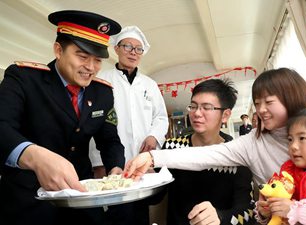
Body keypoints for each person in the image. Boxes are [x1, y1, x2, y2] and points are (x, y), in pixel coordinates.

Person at [0, 10, 125, 225]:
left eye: (97, 60)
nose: (91, 68)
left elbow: (110, 140)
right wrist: (34, 156)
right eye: (82, 56)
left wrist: (116, 169)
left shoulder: (102, 92)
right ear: (58, 50)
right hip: (29, 201)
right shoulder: (23, 78)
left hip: (81, 198)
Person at [123, 67, 306, 187]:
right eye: (257, 103)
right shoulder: (252, 144)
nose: (261, 110)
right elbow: (205, 155)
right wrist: (151, 157)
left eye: (269, 102)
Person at [89, 25, 169, 225]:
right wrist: (97, 161)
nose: (133, 53)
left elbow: (160, 117)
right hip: (111, 161)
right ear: (116, 48)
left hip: (140, 159)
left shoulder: (149, 85)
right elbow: (92, 122)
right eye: (127, 47)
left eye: (138, 49)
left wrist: (154, 137)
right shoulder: (101, 80)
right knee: (115, 212)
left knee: (140, 210)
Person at [154, 78, 254, 225]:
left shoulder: (237, 155)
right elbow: (155, 198)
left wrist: (220, 218)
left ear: (225, 115)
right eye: (193, 106)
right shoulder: (172, 147)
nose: (197, 113)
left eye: (206, 108)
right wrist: (144, 179)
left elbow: (247, 212)